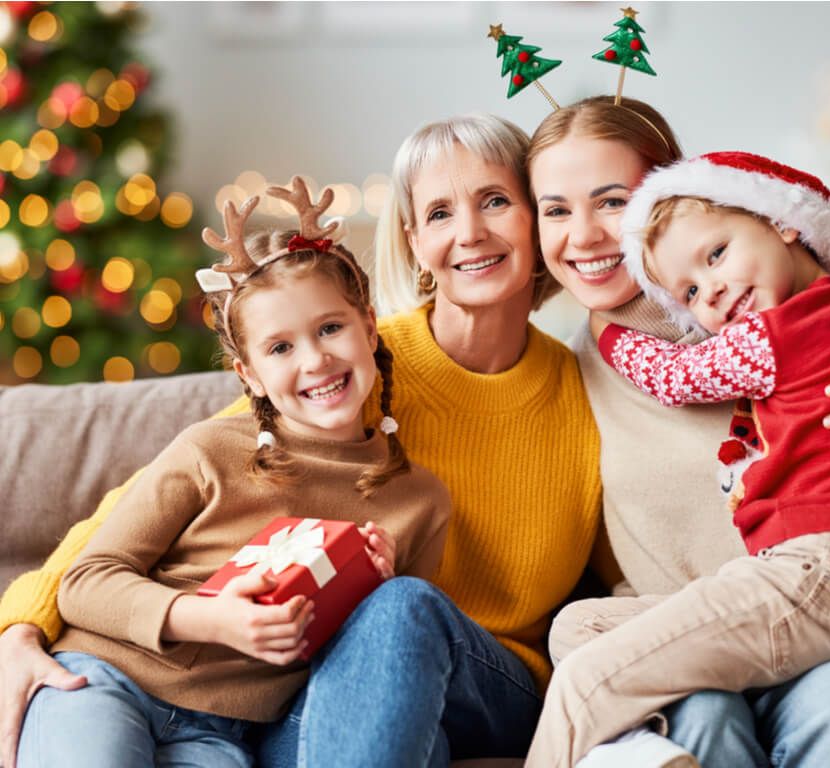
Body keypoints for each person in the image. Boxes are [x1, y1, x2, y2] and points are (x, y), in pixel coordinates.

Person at [0, 114, 607, 768]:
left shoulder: (588, 393)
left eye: (495, 201)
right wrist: (22, 625)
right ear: (412, 237)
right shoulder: (355, 367)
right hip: (328, 680)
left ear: (537, 216)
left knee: (400, 605)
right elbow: (155, 495)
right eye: (438, 213)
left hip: (492, 677)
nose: (469, 233)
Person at [527, 96, 830, 768]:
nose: (584, 235)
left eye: (612, 201)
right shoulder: (560, 373)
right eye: (556, 210)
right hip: (695, 648)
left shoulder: (784, 316)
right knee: (633, 670)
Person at [14, 177, 451, 768]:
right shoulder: (210, 450)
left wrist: (366, 590)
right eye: (280, 348)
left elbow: (363, 671)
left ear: (369, 329)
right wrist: (208, 618)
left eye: (330, 329)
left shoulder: (420, 501)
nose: (316, 359)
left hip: (221, 735)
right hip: (106, 675)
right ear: (248, 376)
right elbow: (86, 580)